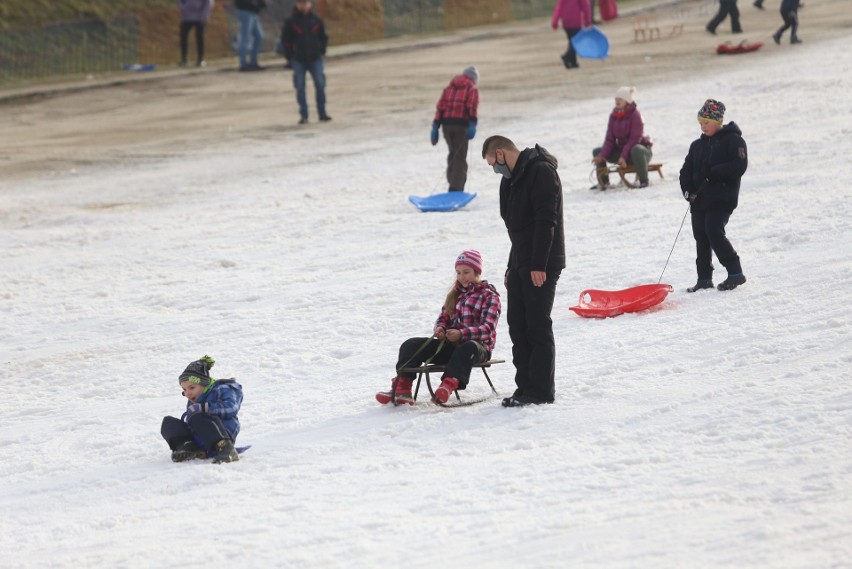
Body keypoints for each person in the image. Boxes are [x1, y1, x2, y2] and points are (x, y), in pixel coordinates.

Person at [481, 136, 565, 407]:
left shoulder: (541, 172)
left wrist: (538, 264)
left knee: (537, 325)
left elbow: (545, 221)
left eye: (494, 163)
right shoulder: (509, 181)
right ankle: (524, 387)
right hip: (519, 261)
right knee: (517, 326)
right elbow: (515, 230)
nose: (495, 169)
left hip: (542, 263)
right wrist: (511, 265)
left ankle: (540, 391)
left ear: (502, 152)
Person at [375, 250, 501, 406]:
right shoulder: (455, 294)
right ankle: (403, 387)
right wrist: (441, 328)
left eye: (466, 272)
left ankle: (448, 385)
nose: (462, 277)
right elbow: (443, 318)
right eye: (458, 273)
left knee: (468, 347)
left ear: (477, 272)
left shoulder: (489, 296)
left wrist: (461, 334)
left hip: (477, 349)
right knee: (411, 344)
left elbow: (487, 328)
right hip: (451, 348)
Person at [679, 99, 748, 292]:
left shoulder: (734, 140)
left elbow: (739, 165)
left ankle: (735, 272)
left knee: (713, 231)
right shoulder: (696, 146)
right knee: (700, 235)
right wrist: (687, 190)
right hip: (699, 200)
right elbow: (685, 171)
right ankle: (704, 278)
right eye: (700, 123)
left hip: (722, 198)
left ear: (718, 121)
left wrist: (716, 171)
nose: (703, 126)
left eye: (706, 123)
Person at [160, 355, 244, 463]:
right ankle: (189, 447)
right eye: (184, 389)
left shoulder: (222, 389)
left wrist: (205, 408)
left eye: (192, 387)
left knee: (197, 416)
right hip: (201, 436)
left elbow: (232, 407)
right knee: (168, 422)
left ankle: (227, 449)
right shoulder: (194, 399)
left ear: (204, 384)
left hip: (221, 432)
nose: (187, 393)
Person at [591, 86, 653, 189]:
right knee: (597, 151)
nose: (617, 101)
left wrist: (623, 156)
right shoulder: (613, 116)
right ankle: (603, 182)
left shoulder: (635, 115)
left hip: (639, 153)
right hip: (622, 153)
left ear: (627, 100)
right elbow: (609, 140)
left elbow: (634, 140)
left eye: (620, 99)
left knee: (636, 149)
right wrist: (602, 156)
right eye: (616, 99)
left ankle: (644, 180)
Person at [431, 66, 480, 192]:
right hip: (461, 126)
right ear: (473, 79)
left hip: (446, 126)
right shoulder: (471, 89)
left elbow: (440, 108)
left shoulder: (448, 88)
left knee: (453, 153)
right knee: (460, 157)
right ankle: (456, 188)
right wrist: (472, 124)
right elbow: (472, 108)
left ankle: (452, 180)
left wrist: (435, 127)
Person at [281, 0, 330, 124]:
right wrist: (290, 57)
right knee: (300, 87)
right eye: (300, 3)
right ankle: (304, 115)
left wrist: (322, 51)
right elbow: (286, 41)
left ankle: (322, 113)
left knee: (320, 84)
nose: (303, 5)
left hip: (315, 58)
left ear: (310, 4)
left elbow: (323, 37)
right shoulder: (291, 22)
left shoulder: (316, 20)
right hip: (298, 60)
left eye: (305, 3)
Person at [551, 0, 592, 70]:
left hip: (566, 22)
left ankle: (573, 62)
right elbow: (585, 6)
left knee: (571, 41)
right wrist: (588, 21)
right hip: (576, 21)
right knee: (576, 42)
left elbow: (558, 8)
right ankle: (567, 56)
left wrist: (555, 22)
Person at [178, 0, 213, 67]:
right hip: (186, 16)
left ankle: (200, 59)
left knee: (200, 38)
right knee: (183, 37)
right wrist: (183, 8)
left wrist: (205, 14)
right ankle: (184, 59)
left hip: (200, 16)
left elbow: (208, 3)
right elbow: (180, 1)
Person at [235, 0, 266, 72]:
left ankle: (253, 62)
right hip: (245, 11)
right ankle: (243, 64)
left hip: (253, 12)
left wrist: (261, 4)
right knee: (245, 37)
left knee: (259, 37)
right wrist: (256, 6)